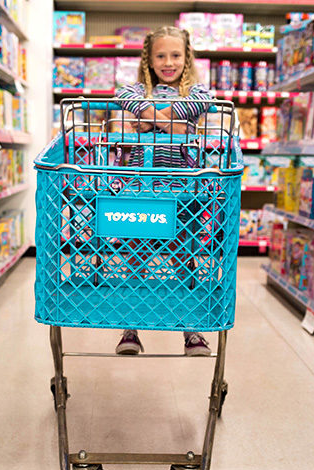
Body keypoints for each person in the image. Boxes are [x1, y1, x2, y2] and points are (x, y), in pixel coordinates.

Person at [112, 26, 213, 357]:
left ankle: (192, 332)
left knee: (184, 261)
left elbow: (202, 103)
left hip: (183, 192)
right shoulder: (139, 89)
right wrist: (172, 122)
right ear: (148, 59)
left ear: (186, 57)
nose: (168, 62)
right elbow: (121, 96)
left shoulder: (196, 90)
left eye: (175, 55)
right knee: (135, 260)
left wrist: (150, 118)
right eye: (160, 56)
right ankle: (130, 330)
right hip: (141, 189)